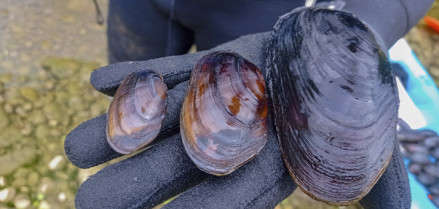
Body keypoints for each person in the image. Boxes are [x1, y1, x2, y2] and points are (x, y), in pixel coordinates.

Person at [65, 0, 434, 208]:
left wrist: (366, 15)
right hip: (140, 7)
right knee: (138, 76)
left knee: (222, 84)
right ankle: (129, 130)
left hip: (259, 10)